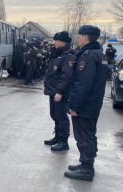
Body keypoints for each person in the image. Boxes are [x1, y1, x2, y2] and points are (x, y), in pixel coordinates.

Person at [64, 25, 108, 182]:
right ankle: (86, 163)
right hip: (94, 102)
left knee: (83, 135)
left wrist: (74, 106)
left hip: (85, 104)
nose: (78, 39)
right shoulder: (99, 54)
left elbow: (82, 84)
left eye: (80, 36)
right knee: (89, 134)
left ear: (85, 38)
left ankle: (86, 169)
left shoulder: (87, 56)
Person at [43, 31, 75, 152]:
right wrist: (46, 86)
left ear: (62, 42)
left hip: (60, 92)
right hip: (53, 90)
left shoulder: (68, 56)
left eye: (56, 41)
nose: (54, 43)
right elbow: (51, 73)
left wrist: (60, 92)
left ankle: (63, 141)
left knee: (61, 116)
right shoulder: (57, 54)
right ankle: (57, 137)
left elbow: (66, 77)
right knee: (54, 114)